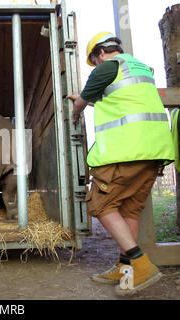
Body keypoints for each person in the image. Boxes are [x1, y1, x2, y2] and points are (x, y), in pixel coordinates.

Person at [67, 32, 175, 296]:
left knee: (100, 203)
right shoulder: (140, 68)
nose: (96, 64)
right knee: (129, 211)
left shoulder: (107, 67)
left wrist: (76, 109)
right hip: (154, 151)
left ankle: (139, 263)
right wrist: (90, 101)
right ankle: (126, 272)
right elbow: (122, 101)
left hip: (126, 151)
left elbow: (82, 101)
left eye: (94, 60)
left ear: (99, 54)